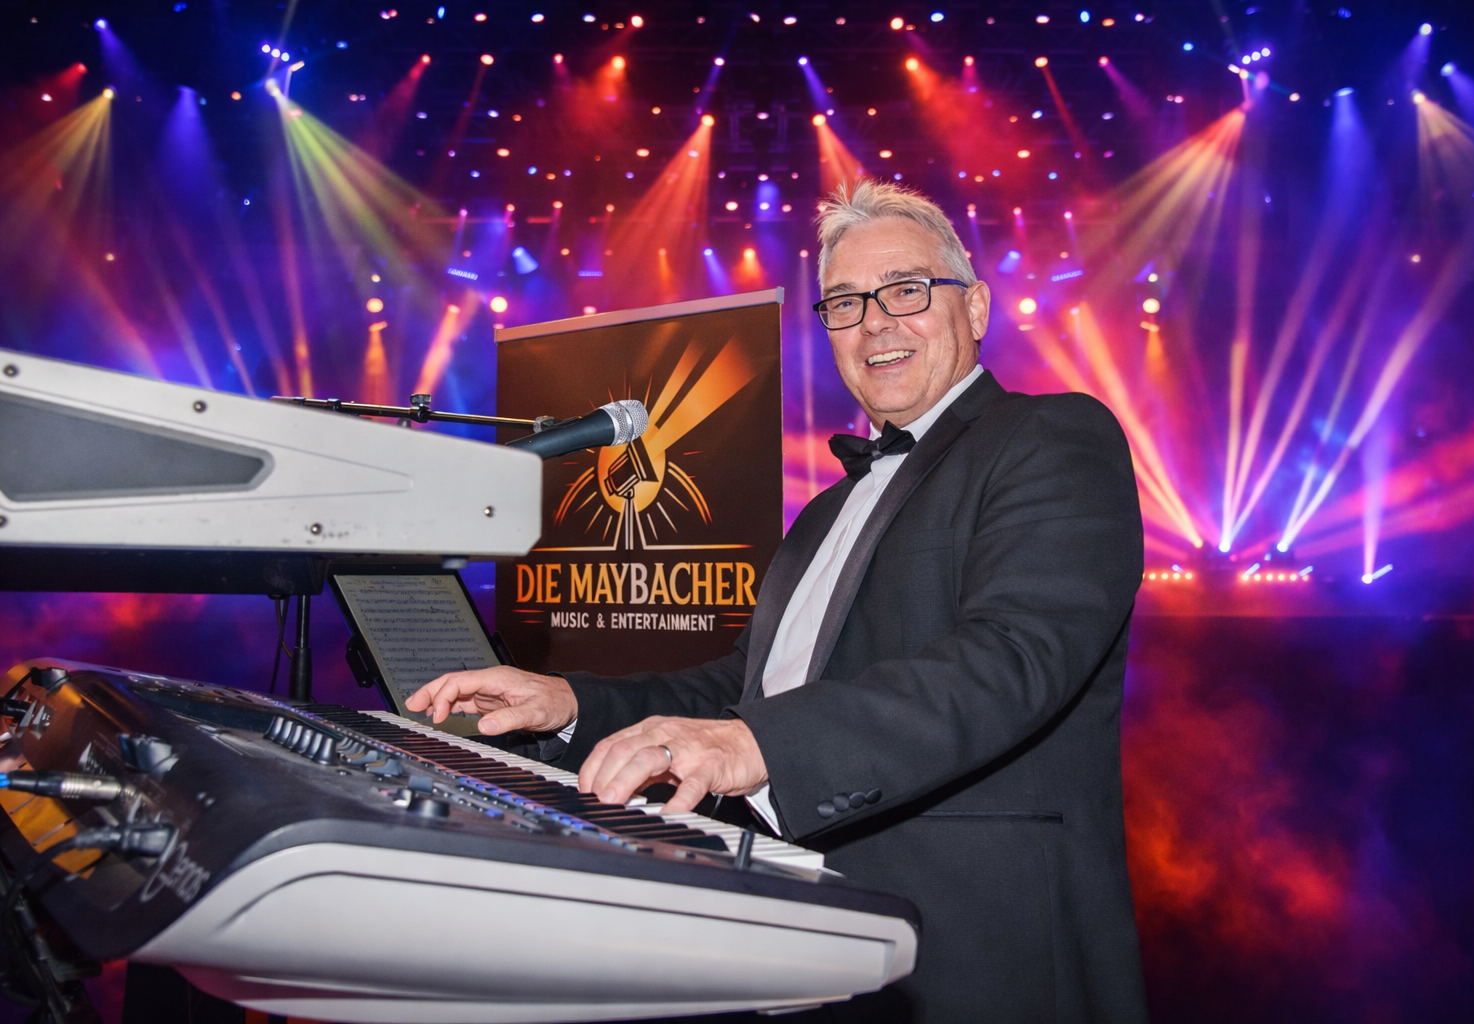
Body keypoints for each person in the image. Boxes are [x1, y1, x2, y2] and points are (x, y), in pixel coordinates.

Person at [407, 179, 1149, 1022]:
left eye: (906, 290)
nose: (876, 323)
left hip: (976, 946)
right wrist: (569, 701)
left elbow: (1013, 659)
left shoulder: (1052, 435)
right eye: (846, 303)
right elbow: (742, 690)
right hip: (802, 928)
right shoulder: (826, 510)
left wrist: (759, 743)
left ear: (975, 307)